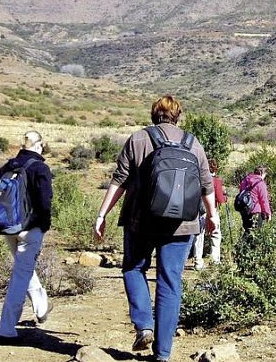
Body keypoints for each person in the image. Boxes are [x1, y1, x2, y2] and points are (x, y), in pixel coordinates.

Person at [93, 95, 219, 362]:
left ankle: (144, 325)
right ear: (178, 115)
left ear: (154, 114)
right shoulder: (192, 142)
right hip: (182, 224)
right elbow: (207, 184)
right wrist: (212, 216)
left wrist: (102, 214)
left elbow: (119, 181)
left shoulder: (138, 139)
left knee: (133, 268)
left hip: (141, 221)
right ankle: (162, 353)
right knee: (170, 282)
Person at [0, 130, 54, 343]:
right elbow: (44, 202)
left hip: (8, 228)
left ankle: (41, 307)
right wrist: (43, 226)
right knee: (21, 276)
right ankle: (7, 328)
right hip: (30, 229)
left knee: (24, 269)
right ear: (39, 145)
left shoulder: (7, 166)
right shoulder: (40, 168)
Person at [192, 158, 226, 270]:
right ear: (216, 168)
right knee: (215, 235)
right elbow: (221, 199)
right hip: (212, 210)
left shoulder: (198, 179)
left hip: (199, 210)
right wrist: (224, 196)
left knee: (199, 235)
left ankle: (198, 261)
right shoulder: (216, 181)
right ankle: (215, 261)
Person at [238, 165, 271, 232]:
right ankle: (245, 242)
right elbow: (264, 200)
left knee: (247, 230)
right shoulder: (261, 183)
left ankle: (242, 242)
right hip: (255, 211)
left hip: (244, 210)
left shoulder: (245, 180)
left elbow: (241, 192)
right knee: (255, 232)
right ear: (262, 173)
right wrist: (268, 213)